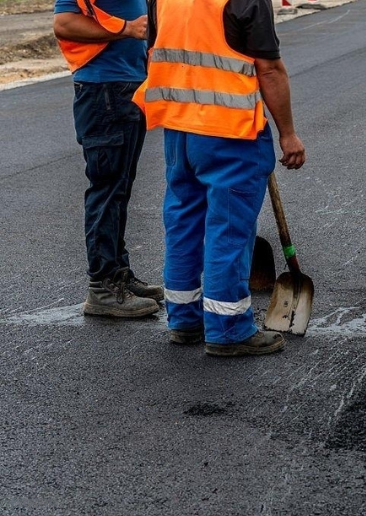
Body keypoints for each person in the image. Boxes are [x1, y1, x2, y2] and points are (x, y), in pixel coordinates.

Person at [133, 0, 306, 356]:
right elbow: (269, 69)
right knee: (228, 230)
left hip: (179, 130)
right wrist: (287, 134)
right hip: (230, 133)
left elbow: (157, 50)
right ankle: (228, 328)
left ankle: (184, 319)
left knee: (183, 223)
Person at [53, 0, 163, 318]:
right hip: (104, 90)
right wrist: (127, 29)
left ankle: (119, 274)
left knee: (120, 189)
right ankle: (102, 286)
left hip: (127, 88)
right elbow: (64, 23)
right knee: (107, 189)